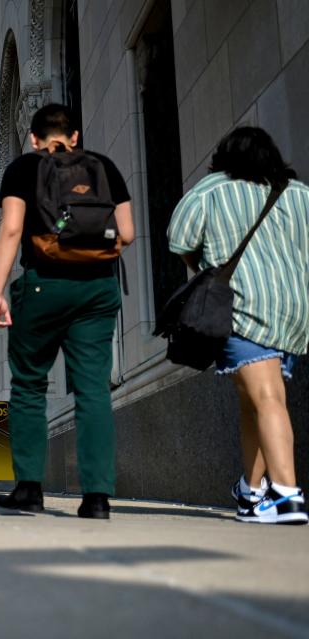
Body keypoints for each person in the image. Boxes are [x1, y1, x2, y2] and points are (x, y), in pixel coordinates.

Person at [0, 103, 135, 519]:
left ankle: (30, 489)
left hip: (43, 286)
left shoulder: (23, 169)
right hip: (98, 289)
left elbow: (12, 229)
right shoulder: (103, 167)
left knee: (29, 385)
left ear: (34, 139)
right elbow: (126, 232)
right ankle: (97, 498)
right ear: (74, 137)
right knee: (93, 389)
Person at [168, 126, 308, 525]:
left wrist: (201, 269)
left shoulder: (212, 189)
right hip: (293, 312)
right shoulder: (299, 194)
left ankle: (286, 496)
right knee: (255, 401)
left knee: (266, 398)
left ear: (224, 159)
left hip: (242, 307)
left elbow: (178, 239)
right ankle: (251, 492)